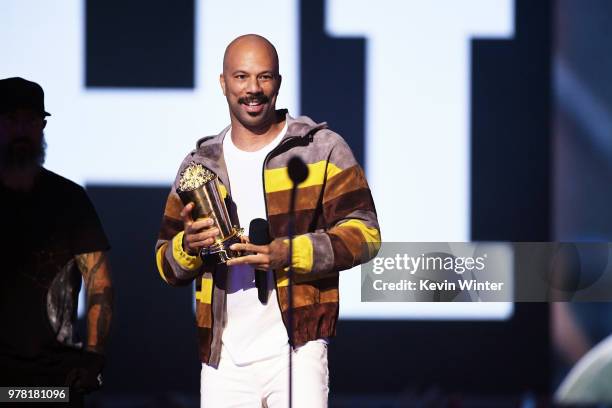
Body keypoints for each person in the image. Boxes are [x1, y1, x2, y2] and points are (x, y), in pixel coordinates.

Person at [155, 34, 380, 407]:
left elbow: (365, 234)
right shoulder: (200, 165)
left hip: (298, 348)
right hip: (223, 357)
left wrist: (289, 253)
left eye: (264, 77)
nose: (253, 89)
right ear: (223, 83)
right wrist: (189, 247)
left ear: (279, 81)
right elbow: (164, 263)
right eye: (241, 77)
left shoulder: (320, 148)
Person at [0, 77, 113, 407]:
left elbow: (100, 280)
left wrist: (93, 357)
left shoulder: (69, 199)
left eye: (31, 121)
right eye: (11, 120)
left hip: (54, 381)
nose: (22, 130)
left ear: (43, 127)